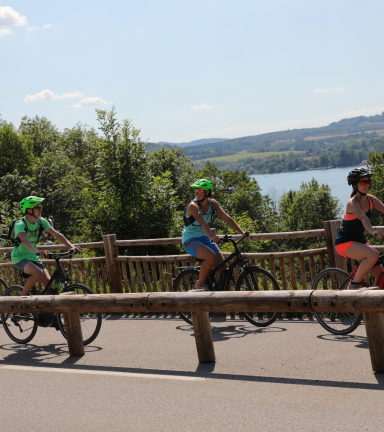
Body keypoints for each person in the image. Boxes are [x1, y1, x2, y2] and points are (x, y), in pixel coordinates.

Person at [182, 179, 247, 291]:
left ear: (207, 192)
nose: (196, 193)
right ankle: (200, 284)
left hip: (205, 239)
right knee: (210, 256)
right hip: (190, 240)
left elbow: (226, 217)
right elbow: (203, 222)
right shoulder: (193, 206)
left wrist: (242, 232)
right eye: (195, 191)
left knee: (223, 267)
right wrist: (212, 237)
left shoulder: (213, 204)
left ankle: (226, 294)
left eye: (200, 191)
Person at [11, 196, 81, 296]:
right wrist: (36, 251)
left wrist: (72, 247)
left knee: (50, 285)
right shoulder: (20, 223)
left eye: (40, 207)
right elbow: (24, 240)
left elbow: (57, 235)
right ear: (29, 210)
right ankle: (21, 300)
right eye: (38, 208)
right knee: (37, 272)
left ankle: (47, 310)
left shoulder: (41, 221)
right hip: (20, 257)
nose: (41, 210)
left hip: (33, 257)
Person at [334, 168, 384, 289]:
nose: (367, 184)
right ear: (355, 185)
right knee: (373, 254)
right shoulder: (352, 203)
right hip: (344, 242)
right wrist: (372, 231)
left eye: (369, 182)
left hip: (359, 242)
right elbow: (363, 218)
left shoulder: (371, 199)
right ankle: (353, 284)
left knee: (381, 276)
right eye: (363, 182)